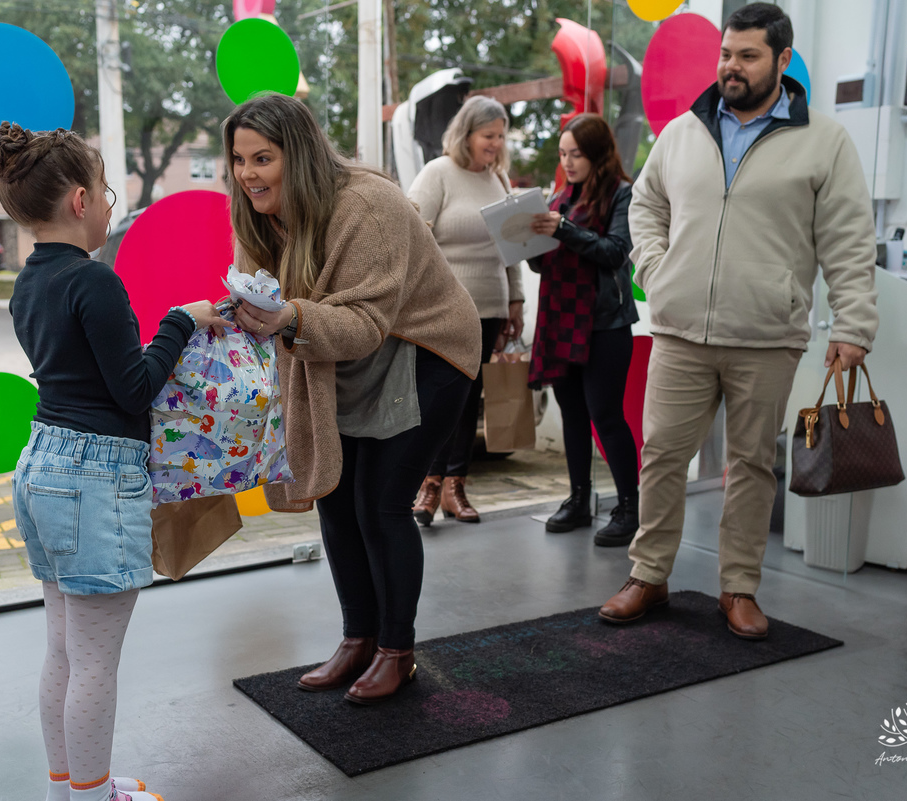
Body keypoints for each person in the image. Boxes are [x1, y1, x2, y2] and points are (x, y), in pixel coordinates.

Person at [598, 3, 879, 638]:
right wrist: (657, 268)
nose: (732, 66)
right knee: (662, 457)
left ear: (783, 60)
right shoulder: (681, 132)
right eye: (727, 54)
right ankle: (649, 575)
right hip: (680, 329)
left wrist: (853, 325)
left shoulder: (824, 141)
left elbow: (848, 241)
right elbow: (646, 204)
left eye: (748, 56)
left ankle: (739, 588)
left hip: (766, 335)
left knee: (752, 466)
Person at [0, 123, 231, 801]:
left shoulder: (27, 283)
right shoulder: (96, 283)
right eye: (110, 195)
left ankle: (73, 785)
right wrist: (181, 321)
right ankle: (95, 797)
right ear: (82, 199)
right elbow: (135, 389)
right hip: (94, 478)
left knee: (62, 649)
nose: (114, 208)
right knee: (95, 661)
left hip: (42, 464)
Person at [221, 93, 481, 704]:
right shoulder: (258, 213)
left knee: (380, 504)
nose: (247, 174)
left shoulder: (368, 204)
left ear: (300, 154)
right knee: (335, 499)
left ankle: (398, 650)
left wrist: (284, 316)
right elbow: (265, 295)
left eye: (262, 158)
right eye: (237, 159)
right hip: (343, 353)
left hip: (425, 349)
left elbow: (364, 322)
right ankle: (357, 639)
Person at [406, 96, 525, 526]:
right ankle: (429, 484)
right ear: (466, 134)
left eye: (500, 136)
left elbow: (512, 249)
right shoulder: (438, 173)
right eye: (488, 136)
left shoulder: (500, 180)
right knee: (439, 398)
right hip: (444, 309)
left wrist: (516, 299)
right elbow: (412, 233)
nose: (495, 144)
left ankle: (456, 486)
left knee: (468, 399)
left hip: (491, 304)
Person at [528, 114, 641, 547]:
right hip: (561, 321)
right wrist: (529, 245)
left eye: (576, 154)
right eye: (563, 154)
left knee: (606, 418)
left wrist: (565, 230)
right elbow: (547, 261)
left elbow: (615, 253)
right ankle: (578, 500)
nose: (568, 162)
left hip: (603, 323)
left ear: (597, 154)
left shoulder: (621, 194)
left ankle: (628, 508)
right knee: (573, 417)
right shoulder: (558, 198)